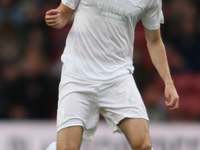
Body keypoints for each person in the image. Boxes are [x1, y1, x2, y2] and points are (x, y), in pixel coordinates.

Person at [45, 0, 179, 149]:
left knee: (143, 145)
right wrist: (58, 19)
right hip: (77, 75)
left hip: (118, 77)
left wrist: (169, 83)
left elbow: (154, 41)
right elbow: (64, 14)